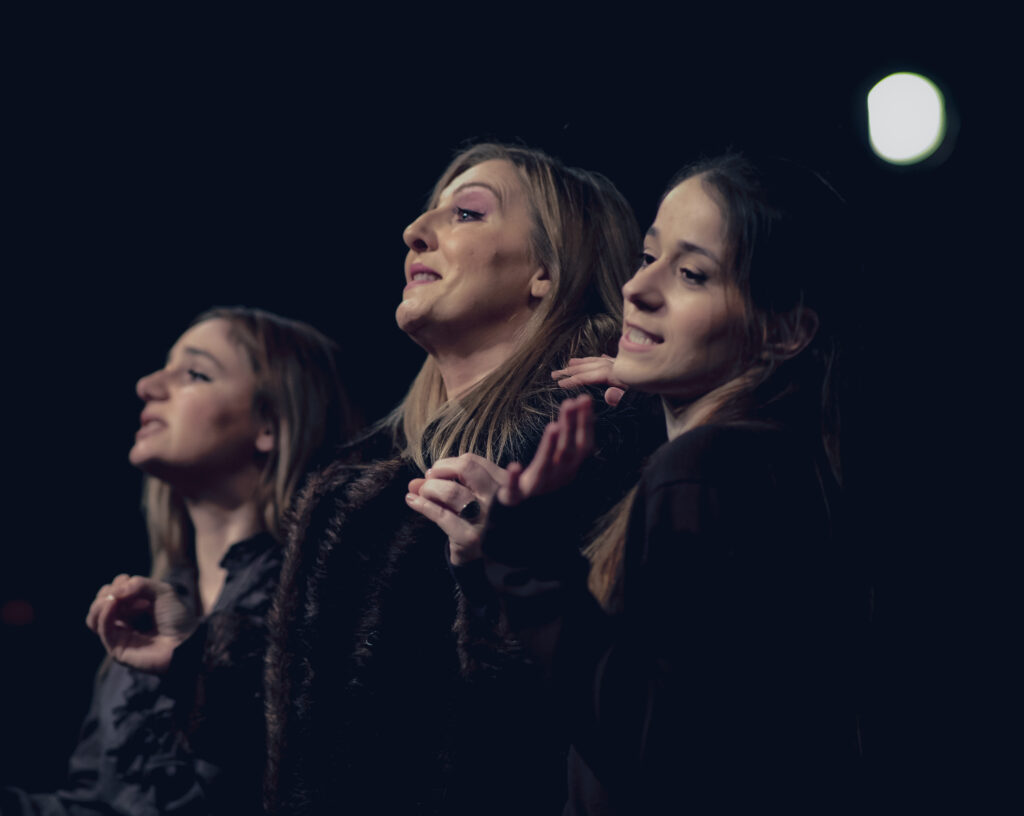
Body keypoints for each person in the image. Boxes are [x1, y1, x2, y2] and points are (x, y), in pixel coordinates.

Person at [411, 153, 865, 813]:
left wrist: (527, 556)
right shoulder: (764, 462)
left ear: (787, 330)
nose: (637, 288)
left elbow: (662, 752)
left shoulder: (704, 471)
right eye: (648, 257)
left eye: (692, 274)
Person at [264, 143, 655, 815]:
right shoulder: (359, 478)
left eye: (467, 213)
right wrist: (189, 659)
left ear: (545, 271)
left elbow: (594, 714)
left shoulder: (593, 442)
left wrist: (504, 564)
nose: (414, 232)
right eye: (429, 212)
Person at [1, 307, 353, 816]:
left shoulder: (330, 588)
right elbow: (93, 804)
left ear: (270, 424)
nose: (147, 386)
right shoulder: (147, 602)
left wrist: (192, 662)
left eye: (195, 373)